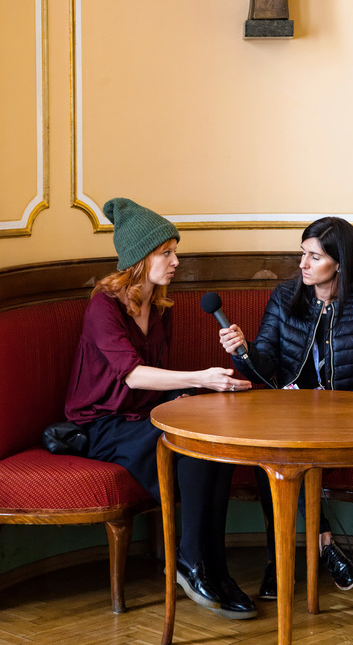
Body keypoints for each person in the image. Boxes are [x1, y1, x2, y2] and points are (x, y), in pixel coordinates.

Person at [65, 197, 257, 619]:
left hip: (143, 414)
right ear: (139, 259)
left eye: (175, 251)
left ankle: (215, 568)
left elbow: (153, 381)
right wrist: (200, 378)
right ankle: (190, 560)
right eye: (166, 253)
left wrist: (180, 398)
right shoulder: (103, 307)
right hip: (102, 424)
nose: (176, 261)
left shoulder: (160, 306)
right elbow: (133, 376)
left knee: (218, 442)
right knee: (190, 447)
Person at [218, 216, 353, 599]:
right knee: (273, 454)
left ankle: (279, 566)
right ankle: (319, 547)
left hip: (343, 424)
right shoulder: (285, 297)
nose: (302, 264)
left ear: (340, 262)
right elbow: (264, 365)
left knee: (277, 457)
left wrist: (332, 410)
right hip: (287, 420)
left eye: (314, 257)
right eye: (302, 254)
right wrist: (243, 350)